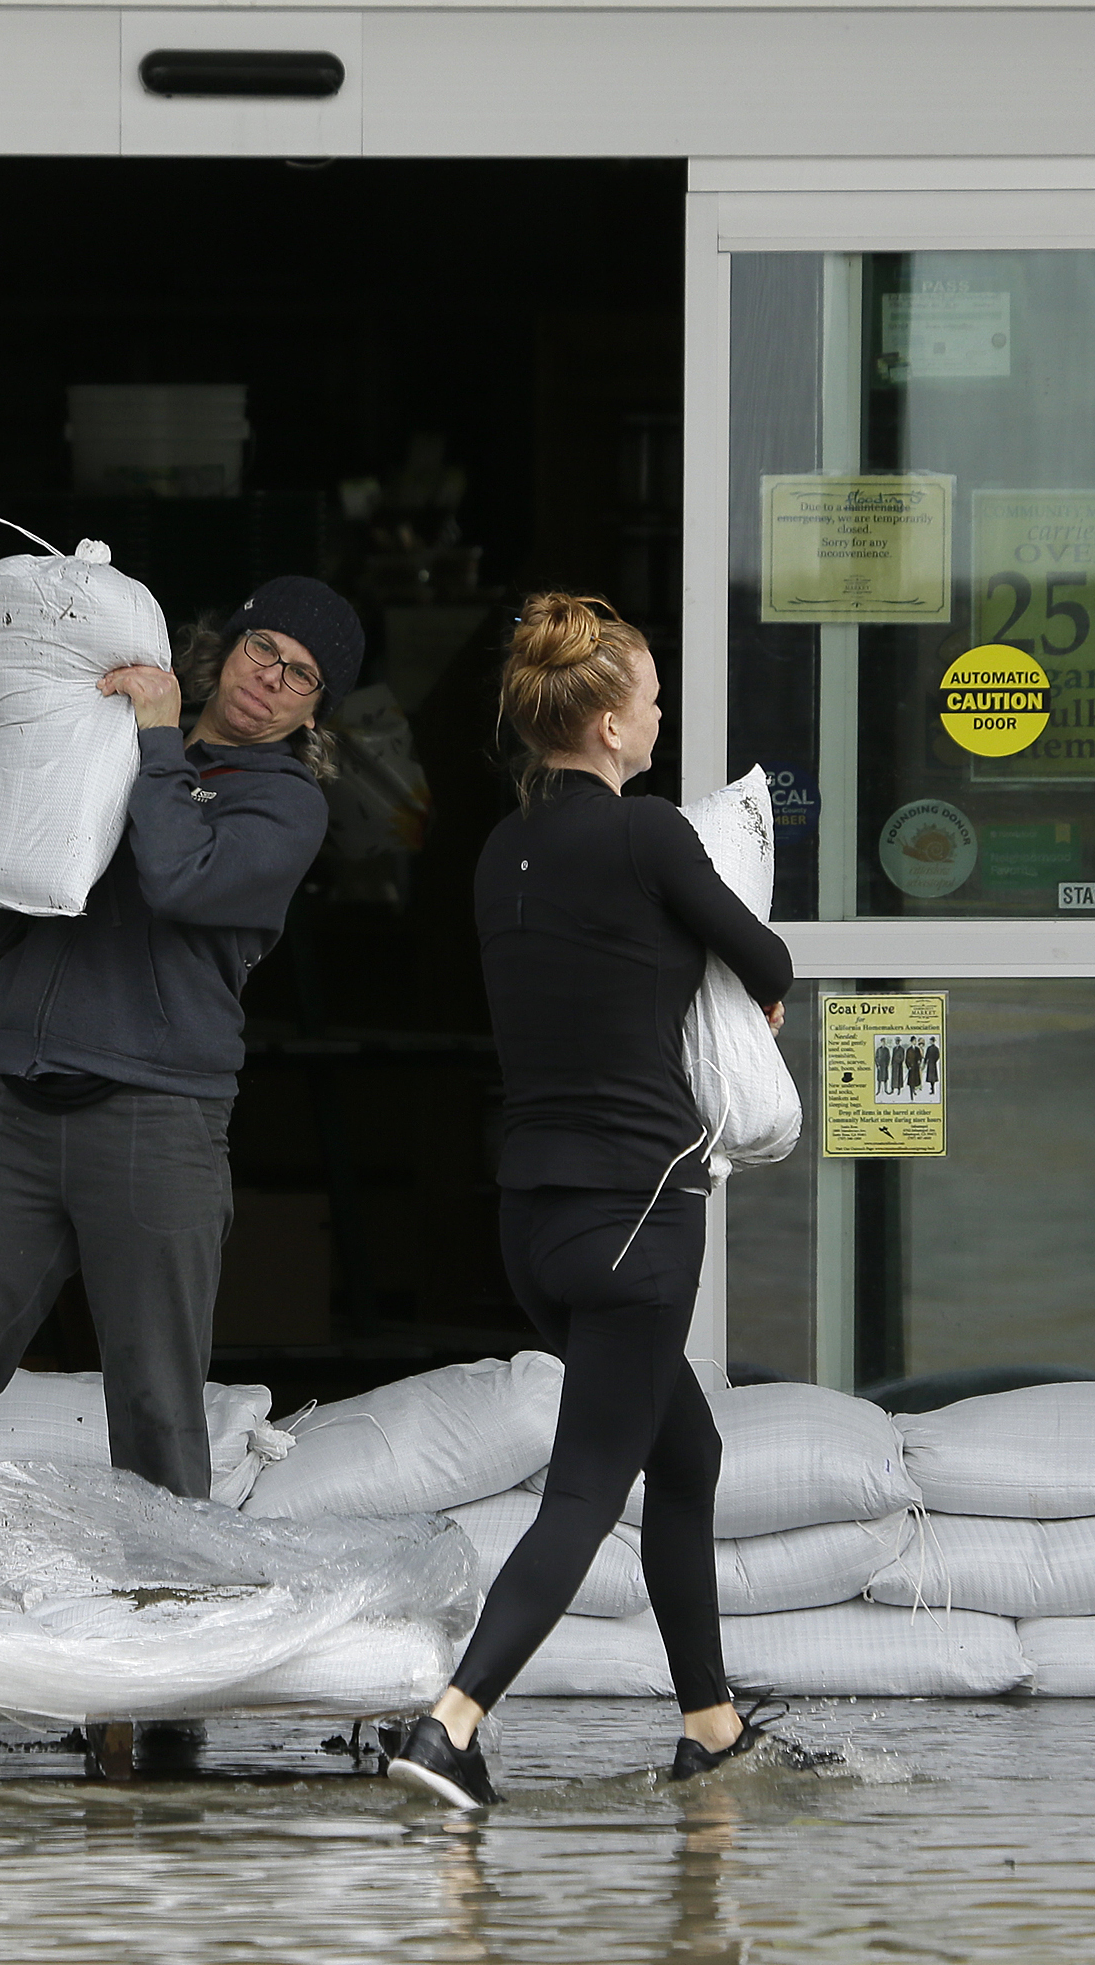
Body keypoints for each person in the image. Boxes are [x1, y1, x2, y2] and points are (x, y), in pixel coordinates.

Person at [387, 594, 795, 1810]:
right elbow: (764, 958)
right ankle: (450, 1723)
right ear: (611, 723)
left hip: (536, 1220)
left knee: (689, 1449)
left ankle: (711, 1722)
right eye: (655, 698)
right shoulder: (650, 835)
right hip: (639, 1209)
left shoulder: (500, 849)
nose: (662, 716)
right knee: (581, 1491)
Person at [0, 577, 365, 1500]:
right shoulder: (102, 747)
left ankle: (166, 1616)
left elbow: (181, 878)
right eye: (264, 648)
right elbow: (10, 918)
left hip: (158, 1115)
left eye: (300, 677)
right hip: (10, 1102)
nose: (270, 677)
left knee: (153, 1406)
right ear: (229, 645)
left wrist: (153, 738)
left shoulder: (286, 806)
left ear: (313, 712)